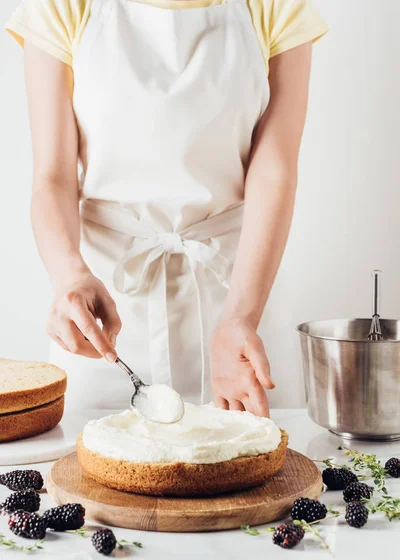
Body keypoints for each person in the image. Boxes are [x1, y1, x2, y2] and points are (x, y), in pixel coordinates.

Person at [6, 0, 327, 415]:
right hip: (105, 312)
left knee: (253, 467)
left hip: (240, 293)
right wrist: (68, 274)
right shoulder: (60, 6)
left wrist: (240, 317)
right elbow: (53, 176)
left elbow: (274, 173)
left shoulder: (276, 5)